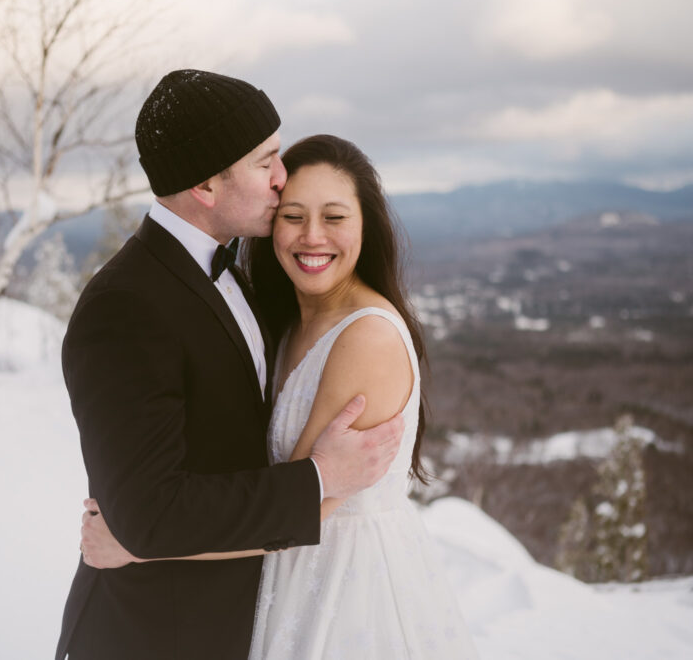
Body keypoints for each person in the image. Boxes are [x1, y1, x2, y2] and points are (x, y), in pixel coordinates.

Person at [79, 134, 479, 658]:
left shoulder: (365, 337)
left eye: (334, 217)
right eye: (293, 216)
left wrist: (137, 546)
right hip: (283, 580)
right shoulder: (286, 319)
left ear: (366, 225)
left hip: (343, 591)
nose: (312, 237)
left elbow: (300, 507)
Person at [56, 71, 404, 659]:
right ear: (207, 187)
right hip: (155, 637)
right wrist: (320, 479)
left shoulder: (233, 271)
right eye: (264, 160)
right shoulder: (126, 305)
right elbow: (152, 513)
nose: (281, 178)